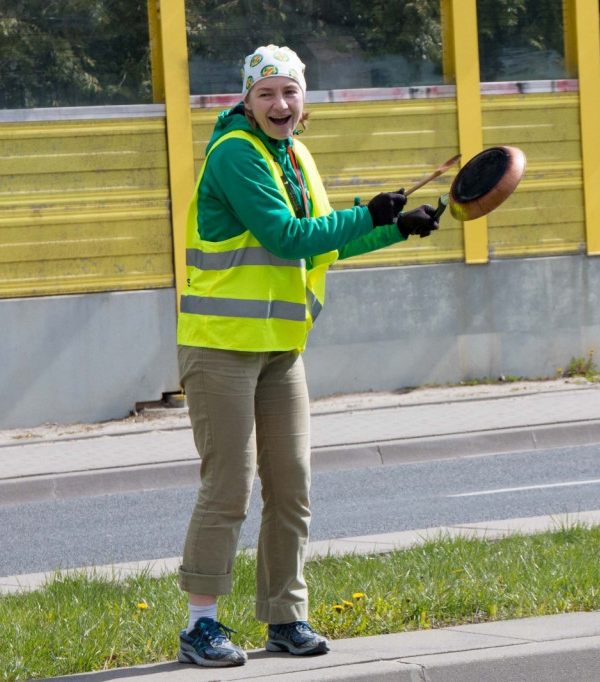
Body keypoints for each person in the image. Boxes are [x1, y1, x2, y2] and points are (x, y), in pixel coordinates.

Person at [174, 44, 441, 668]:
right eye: (266, 93)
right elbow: (285, 236)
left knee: (291, 486)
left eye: (289, 91)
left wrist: (394, 228)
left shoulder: (294, 155)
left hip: (279, 350)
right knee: (228, 489)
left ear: (304, 101)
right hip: (221, 350)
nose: (280, 103)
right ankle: (200, 625)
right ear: (245, 100)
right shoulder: (236, 154)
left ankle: (285, 617)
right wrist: (363, 214)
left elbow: (321, 248)